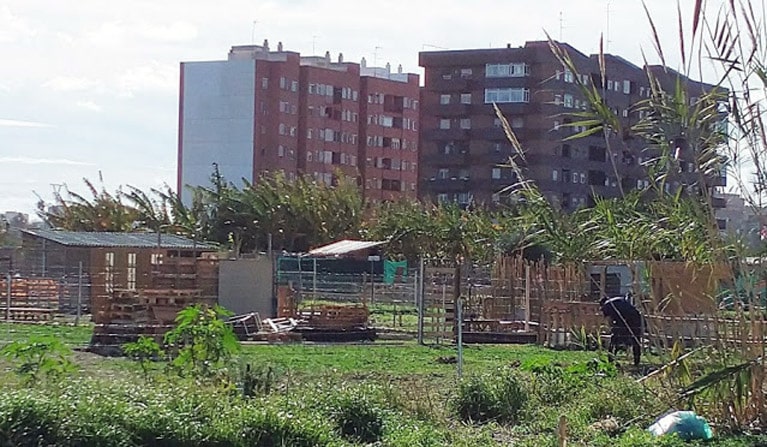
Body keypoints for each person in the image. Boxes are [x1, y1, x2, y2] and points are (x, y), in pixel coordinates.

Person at [600, 293, 643, 366]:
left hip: (625, 320)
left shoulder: (606, 305)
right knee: (636, 340)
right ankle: (637, 360)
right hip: (636, 318)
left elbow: (609, 320)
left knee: (614, 338)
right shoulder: (618, 300)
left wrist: (612, 329)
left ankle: (611, 358)